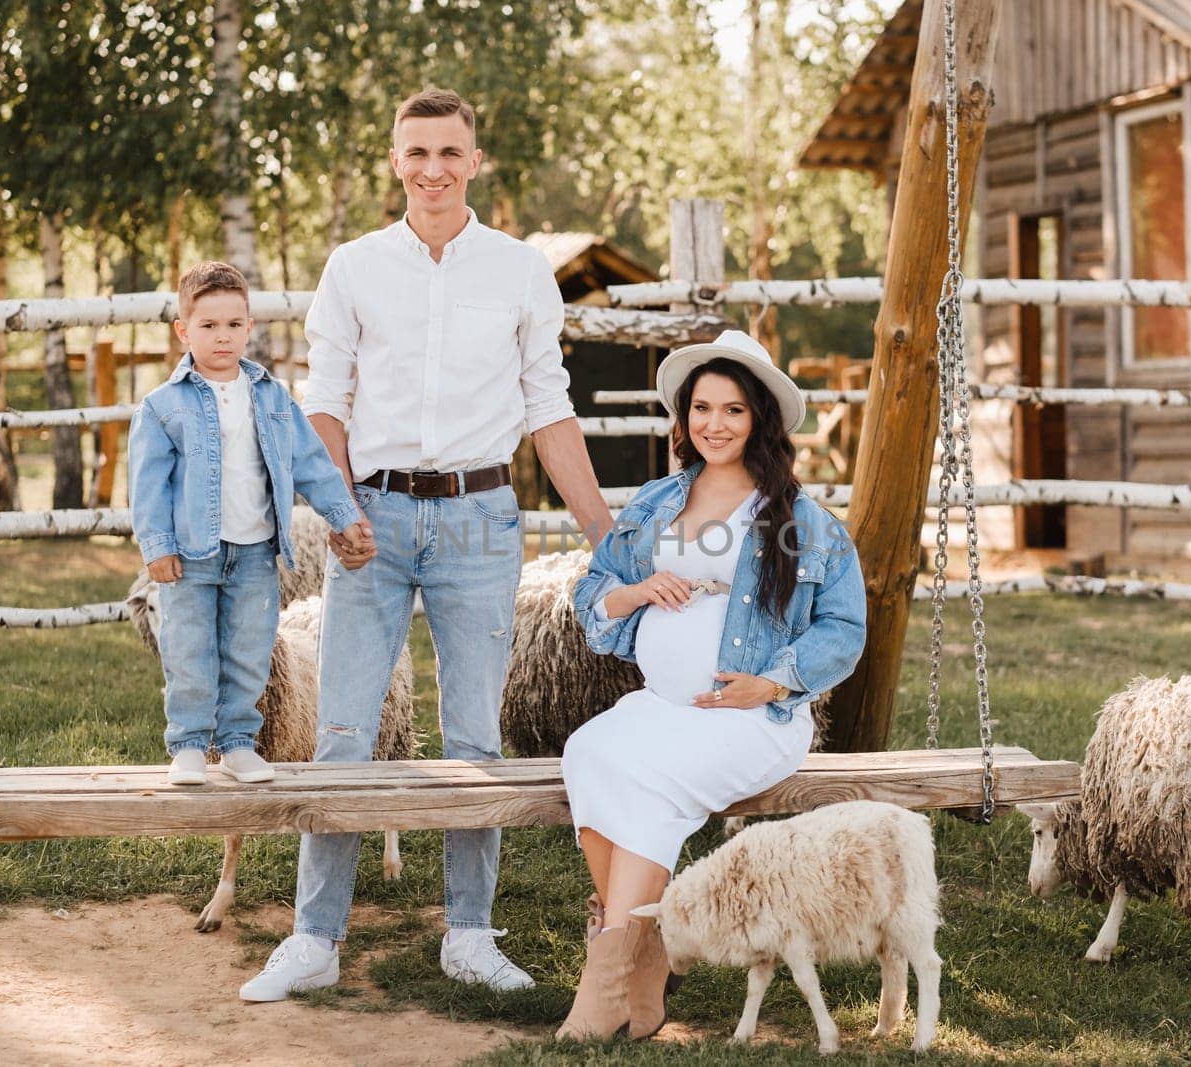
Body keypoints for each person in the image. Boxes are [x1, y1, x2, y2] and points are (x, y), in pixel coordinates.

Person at [240, 88, 611, 1002]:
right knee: (343, 730)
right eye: (418, 152)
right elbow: (323, 400)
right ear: (396, 160)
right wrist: (338, 510)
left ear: (475, 161)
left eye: (451, 151)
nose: (434, 168)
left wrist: (607, 533)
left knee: (474, 735)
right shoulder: (355, 267)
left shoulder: (520, 270)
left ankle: (470, 932)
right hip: (373, 519)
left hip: (483, 517)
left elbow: (548, 407)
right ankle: (313, 937)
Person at [555, 329, 867, 1040]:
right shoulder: (657, 501)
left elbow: (843, 629)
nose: (714, 424)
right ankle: (647, 953)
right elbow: (593, 591)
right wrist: (637, 590)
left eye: (732, 410)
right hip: (663, 706)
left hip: (749, 721)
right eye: (702, 408)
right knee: (589, 751)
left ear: (758, 418)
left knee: (650, 783)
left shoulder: (797, 519)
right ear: (684, 416)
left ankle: (604, 982)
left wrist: (773, 681)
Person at [128, 261, 370, 787]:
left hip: (257, 551)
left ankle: (238, 743)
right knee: (189, 650)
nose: (222, 337)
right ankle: (190, 745)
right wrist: (156, 546)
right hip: (191, 553)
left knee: (249, 650)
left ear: (249, 327)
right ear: (183, 330)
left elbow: (311, 463)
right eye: (208, 326)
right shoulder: (162, 407)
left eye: (233, 325)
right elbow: (148, 485)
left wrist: (344, 516)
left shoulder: (271, 397)